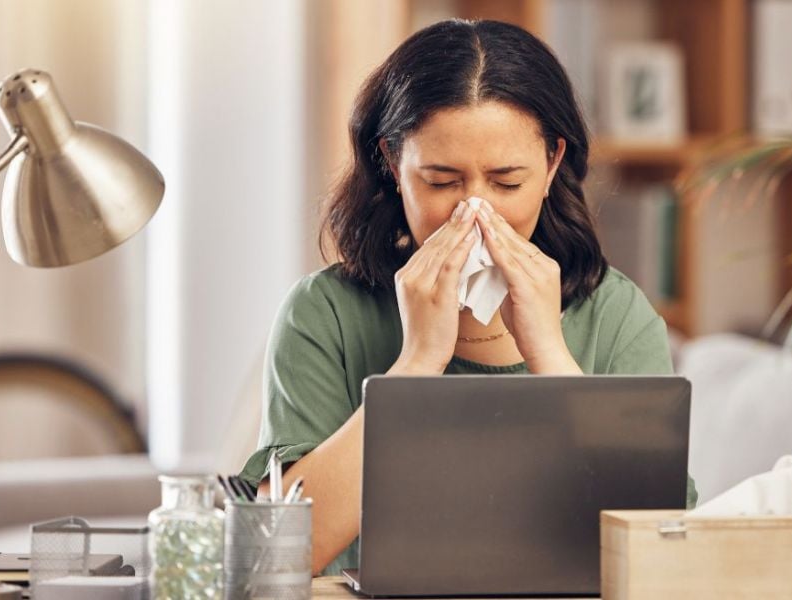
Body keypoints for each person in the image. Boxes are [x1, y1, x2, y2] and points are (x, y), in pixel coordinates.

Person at [239, 18, 694, 576]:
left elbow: (659, 553)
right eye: (441, 181)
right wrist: (415, 365)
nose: (474, 212)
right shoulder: (324, 314)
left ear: (552, 165)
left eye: (506, 183)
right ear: (391, 163)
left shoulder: (617, 315)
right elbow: (272, 558)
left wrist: (549, 351)